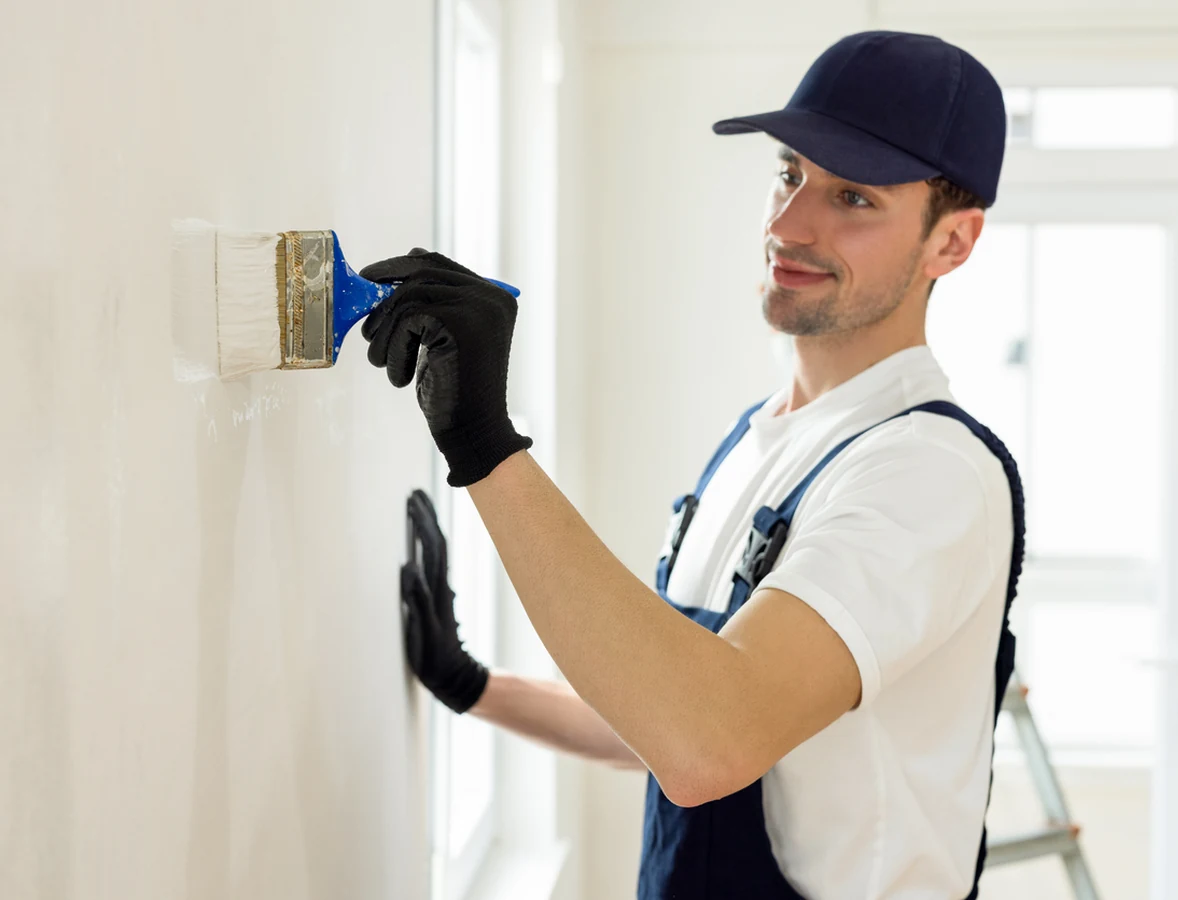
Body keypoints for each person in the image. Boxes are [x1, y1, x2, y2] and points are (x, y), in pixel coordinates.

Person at [360, 29, 1022, 900]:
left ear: (953, 244)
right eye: (790, 174)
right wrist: (472, 684)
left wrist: (485, 443)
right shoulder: (762, 442)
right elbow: (663, 710)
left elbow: (712, 738)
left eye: (853, 197)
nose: (789, 225)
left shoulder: (928, 473)